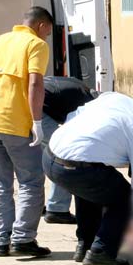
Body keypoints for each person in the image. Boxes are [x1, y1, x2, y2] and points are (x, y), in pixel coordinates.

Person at [43, 93, 133, 265]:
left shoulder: (117, 98)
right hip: (75, 168)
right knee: (127, 199)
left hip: (50, 157)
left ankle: (85, 245)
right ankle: (102, 252)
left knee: (91, 185)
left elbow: (75, 114)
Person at [0, 6, 54, 258]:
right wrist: (37, 121)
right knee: (31, 182)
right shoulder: (36, 45)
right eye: (48, 32)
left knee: (0, 184)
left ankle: (1, 240)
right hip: (16, 124)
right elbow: (35, 82)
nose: (47, 37)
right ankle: (23, 239)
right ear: (41, 25)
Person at [41, 76, 97, 224]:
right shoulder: (88, 103)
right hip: (38, 111)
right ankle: (57, 209)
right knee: (64, 156)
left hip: (21, 107)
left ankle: (35, 205)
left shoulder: (78, 87)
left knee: (39, 159)